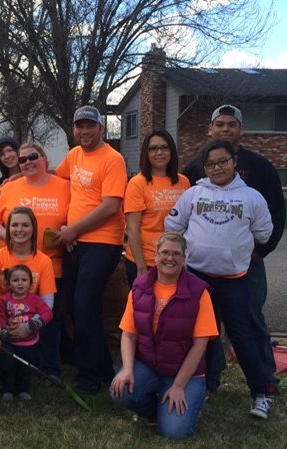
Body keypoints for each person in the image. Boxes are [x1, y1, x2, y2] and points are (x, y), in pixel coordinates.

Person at [166, 140, 274, 419]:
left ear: (233, 161)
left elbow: (264, 233)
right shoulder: (194, 193)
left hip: (234, 279)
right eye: (211, 164)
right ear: (205, 167)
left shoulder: (252, 197)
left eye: (223, 161)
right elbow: (174, 225)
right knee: (198, 336)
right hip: (197, 278)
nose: (217, 168)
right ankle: (198, 385)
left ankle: (260, 392)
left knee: (241, 335)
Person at [182, 105, 285, 395]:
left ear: (241, 130)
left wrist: (259, 253)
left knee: (251, 320)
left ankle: (266, 378)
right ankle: (210, 379)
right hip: (204, 266)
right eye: (220, 124)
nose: (225, 129)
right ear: (210, 130)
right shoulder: (194, 167)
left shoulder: (261, 166)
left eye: (231, 124)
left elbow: (276, 214)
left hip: (247, 263)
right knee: (207, 324)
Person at [110, 232, 218, 440]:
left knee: (173, 432)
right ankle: (158, 410)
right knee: (120, 390)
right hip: (149, 366)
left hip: (185, 375)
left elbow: (199, 345)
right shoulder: (140, 287)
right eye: (165, 252)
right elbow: (128, 334)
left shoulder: (199, 292)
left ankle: (188, 400)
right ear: (156, 256)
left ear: (184, 259)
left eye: (176, 254)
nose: (170, 258)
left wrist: (178, 386)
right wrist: (128, 370)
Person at [55, 105, 127, 394]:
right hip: (75, 243)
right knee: (76, 306)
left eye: (90, 126)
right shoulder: (74, 155)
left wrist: (74, 229)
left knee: (85, 307)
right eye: (79, 126)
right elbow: (56, 177)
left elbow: (110, 206)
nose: (84, 132)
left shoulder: (113, 159)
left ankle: (89, 377)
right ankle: (104, 367)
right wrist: (15, 178)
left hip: (102, 243)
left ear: (101, 128)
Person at [0, 141, 70, 380]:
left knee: (50, 318)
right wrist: (10, 239)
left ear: (45, 159)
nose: (28, 162)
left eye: (34, 156)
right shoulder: (8, 189)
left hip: (50, 265)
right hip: (11, 266)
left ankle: (50, 368)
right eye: (23, 160)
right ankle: (11, 367)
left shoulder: (65, 186)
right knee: (11, 314)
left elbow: (77, 214)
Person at [124, 130, 190, 287]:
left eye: (164, 147)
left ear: (171, 151)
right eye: (153, 149)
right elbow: (132, 229)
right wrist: (141, 268)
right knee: (145, 309)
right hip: (146, 260)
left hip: (174, 260)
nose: (159, 152)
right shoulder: (137, 183)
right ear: (146, 153)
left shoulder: (184, 182)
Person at [0, 264, 53, 401]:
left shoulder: (34, 299)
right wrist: (4, 331)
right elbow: (0, 317)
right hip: (10, 341)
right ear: (9, 283)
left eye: (24, 280)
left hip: (30, 342)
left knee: (25, 367)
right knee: (9, 367)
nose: (20, 283)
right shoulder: (4, 300)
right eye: (15, 280)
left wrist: (32, 325)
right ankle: (8, 390)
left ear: (30, 282)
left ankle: (22, 390)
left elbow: (48, 313)